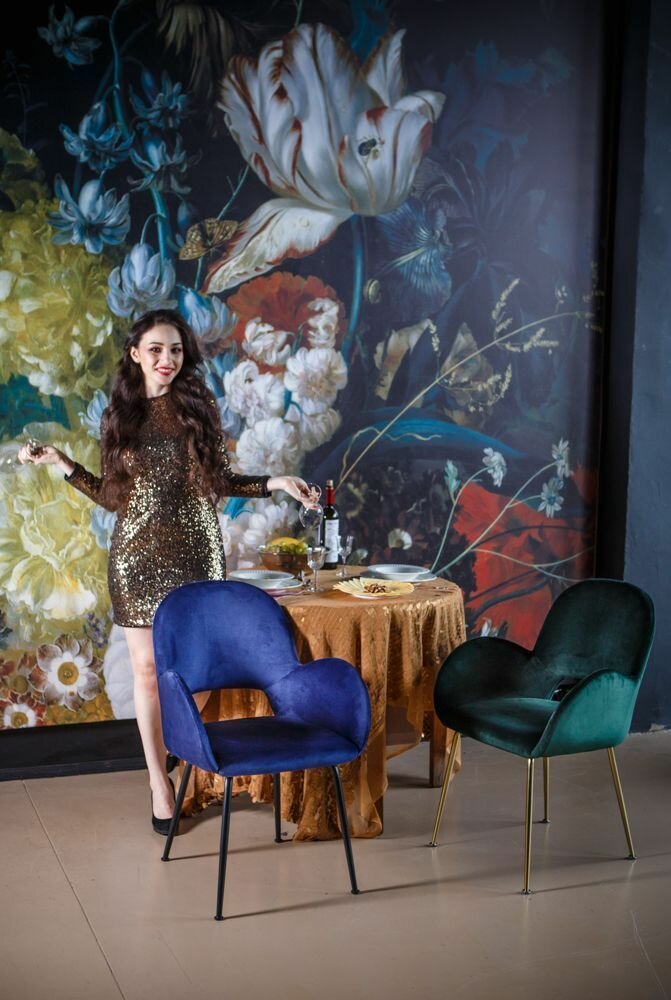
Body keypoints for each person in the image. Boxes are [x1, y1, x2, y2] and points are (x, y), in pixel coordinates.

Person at [18, 308, 315, 834]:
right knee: (148, 675)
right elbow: (113, 497)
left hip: (198, 555)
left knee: (198, 673)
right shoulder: (120, 415)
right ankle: (159, 782)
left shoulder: (198, 405)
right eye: (155, 349)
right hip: (136, 559)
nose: (166, 359)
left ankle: (176, 741)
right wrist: (63, 464)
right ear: (136, 354)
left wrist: (275, 482)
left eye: (175, 350)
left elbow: (219, 480)